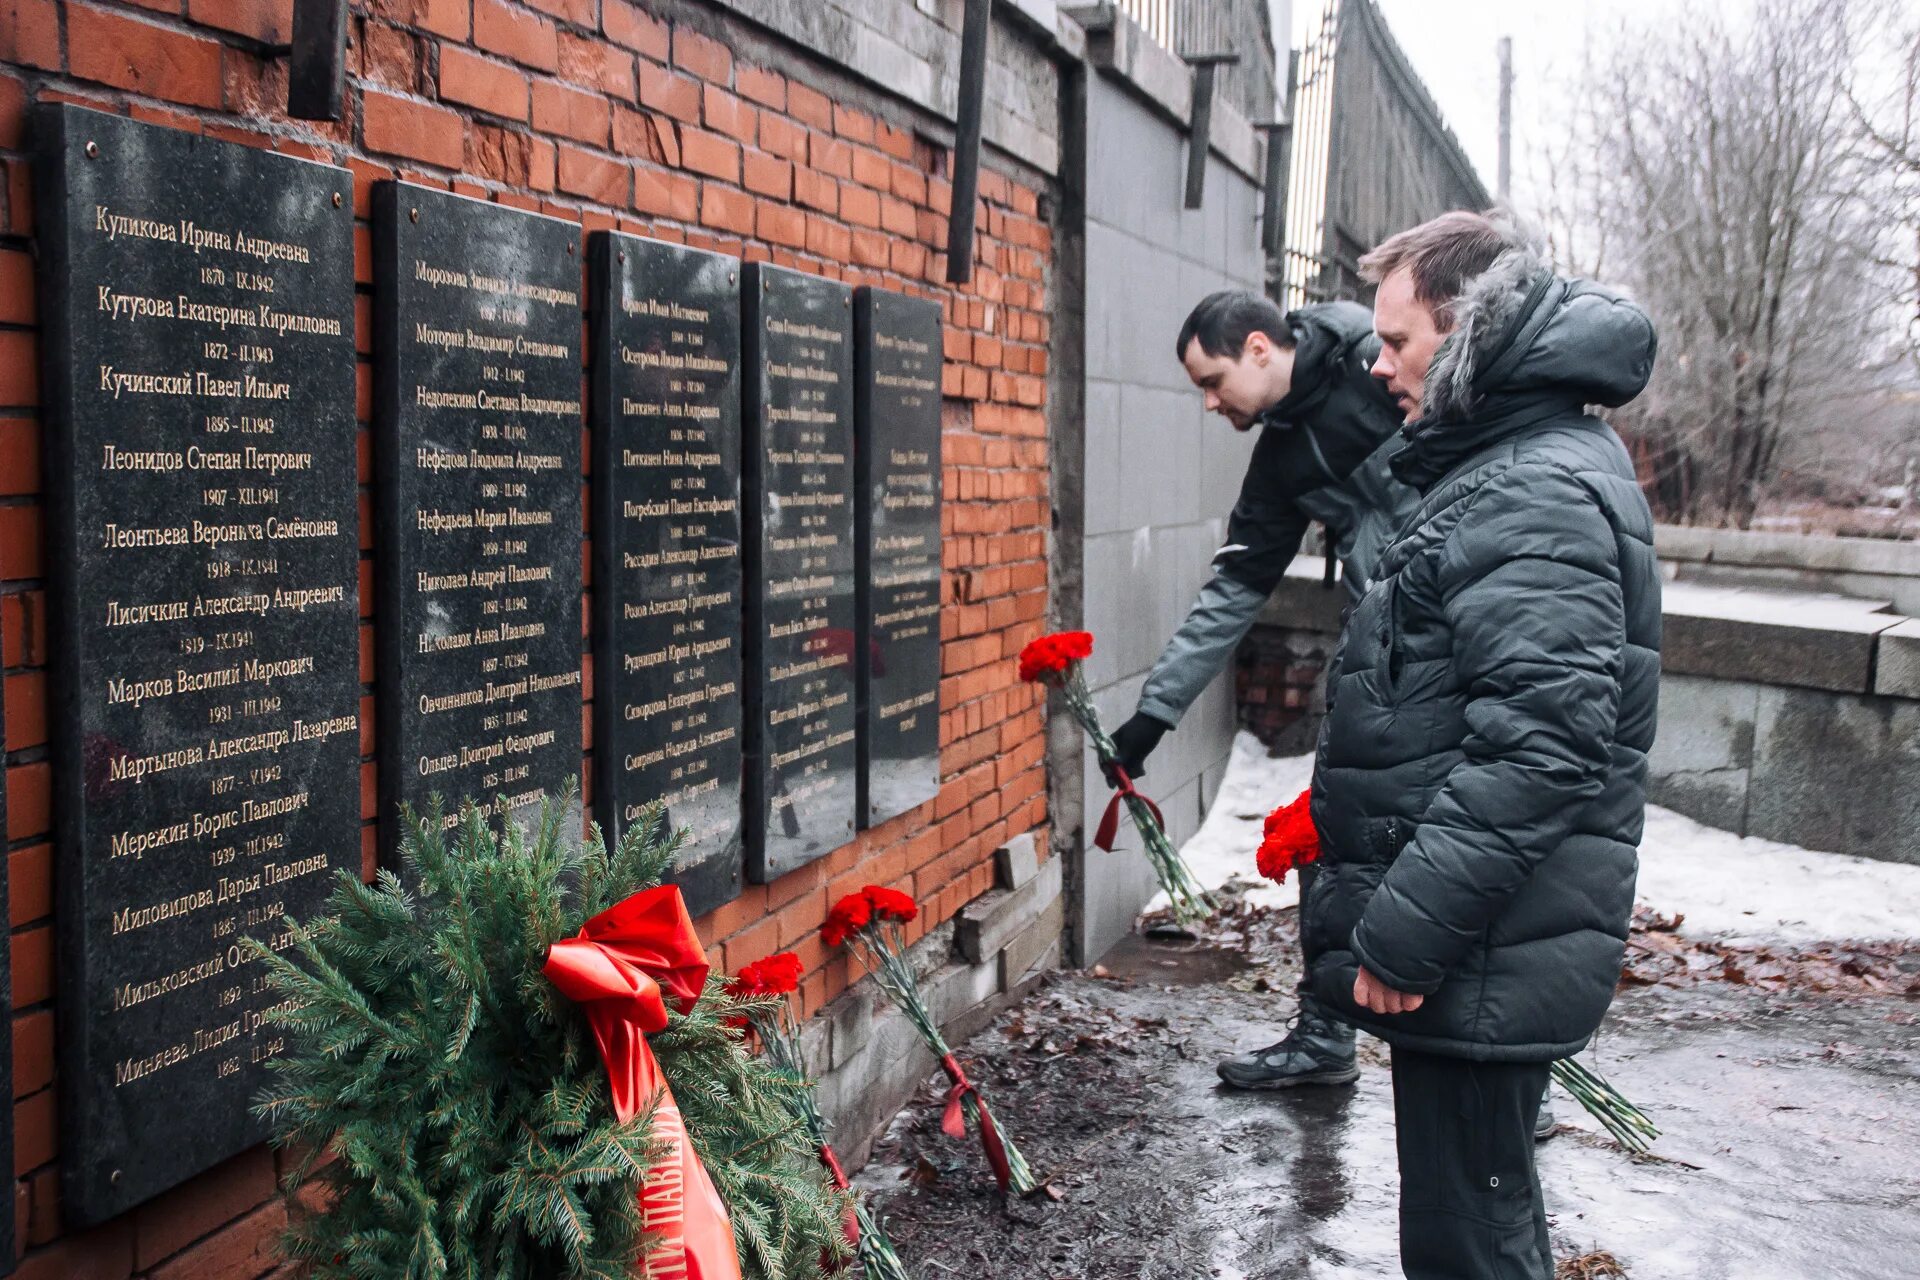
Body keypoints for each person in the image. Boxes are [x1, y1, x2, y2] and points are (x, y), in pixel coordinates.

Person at [1302, 210, 1659, 1279]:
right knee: (1468, 1220)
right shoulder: (1510, 461)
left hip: (1476, 944)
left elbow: (1542, 746)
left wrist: (1406, 936)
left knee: (1472, 1238)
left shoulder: (1534, 485)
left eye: (1397, 340)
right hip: (1485, 937)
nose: (1376, 361)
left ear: (1464, 332)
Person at [1104, 289, 1418, 1091]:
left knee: (1475, 842)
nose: (1210, 404)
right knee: (1329, 835)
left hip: (1473, 630)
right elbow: (1232, 593)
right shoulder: (1280, 463)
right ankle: (1323, 1037)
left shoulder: (1378, 361)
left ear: (1256, 348)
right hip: (1383, 656)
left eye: (1212, 382)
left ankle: (1512, 1085)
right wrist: (1155, 714)